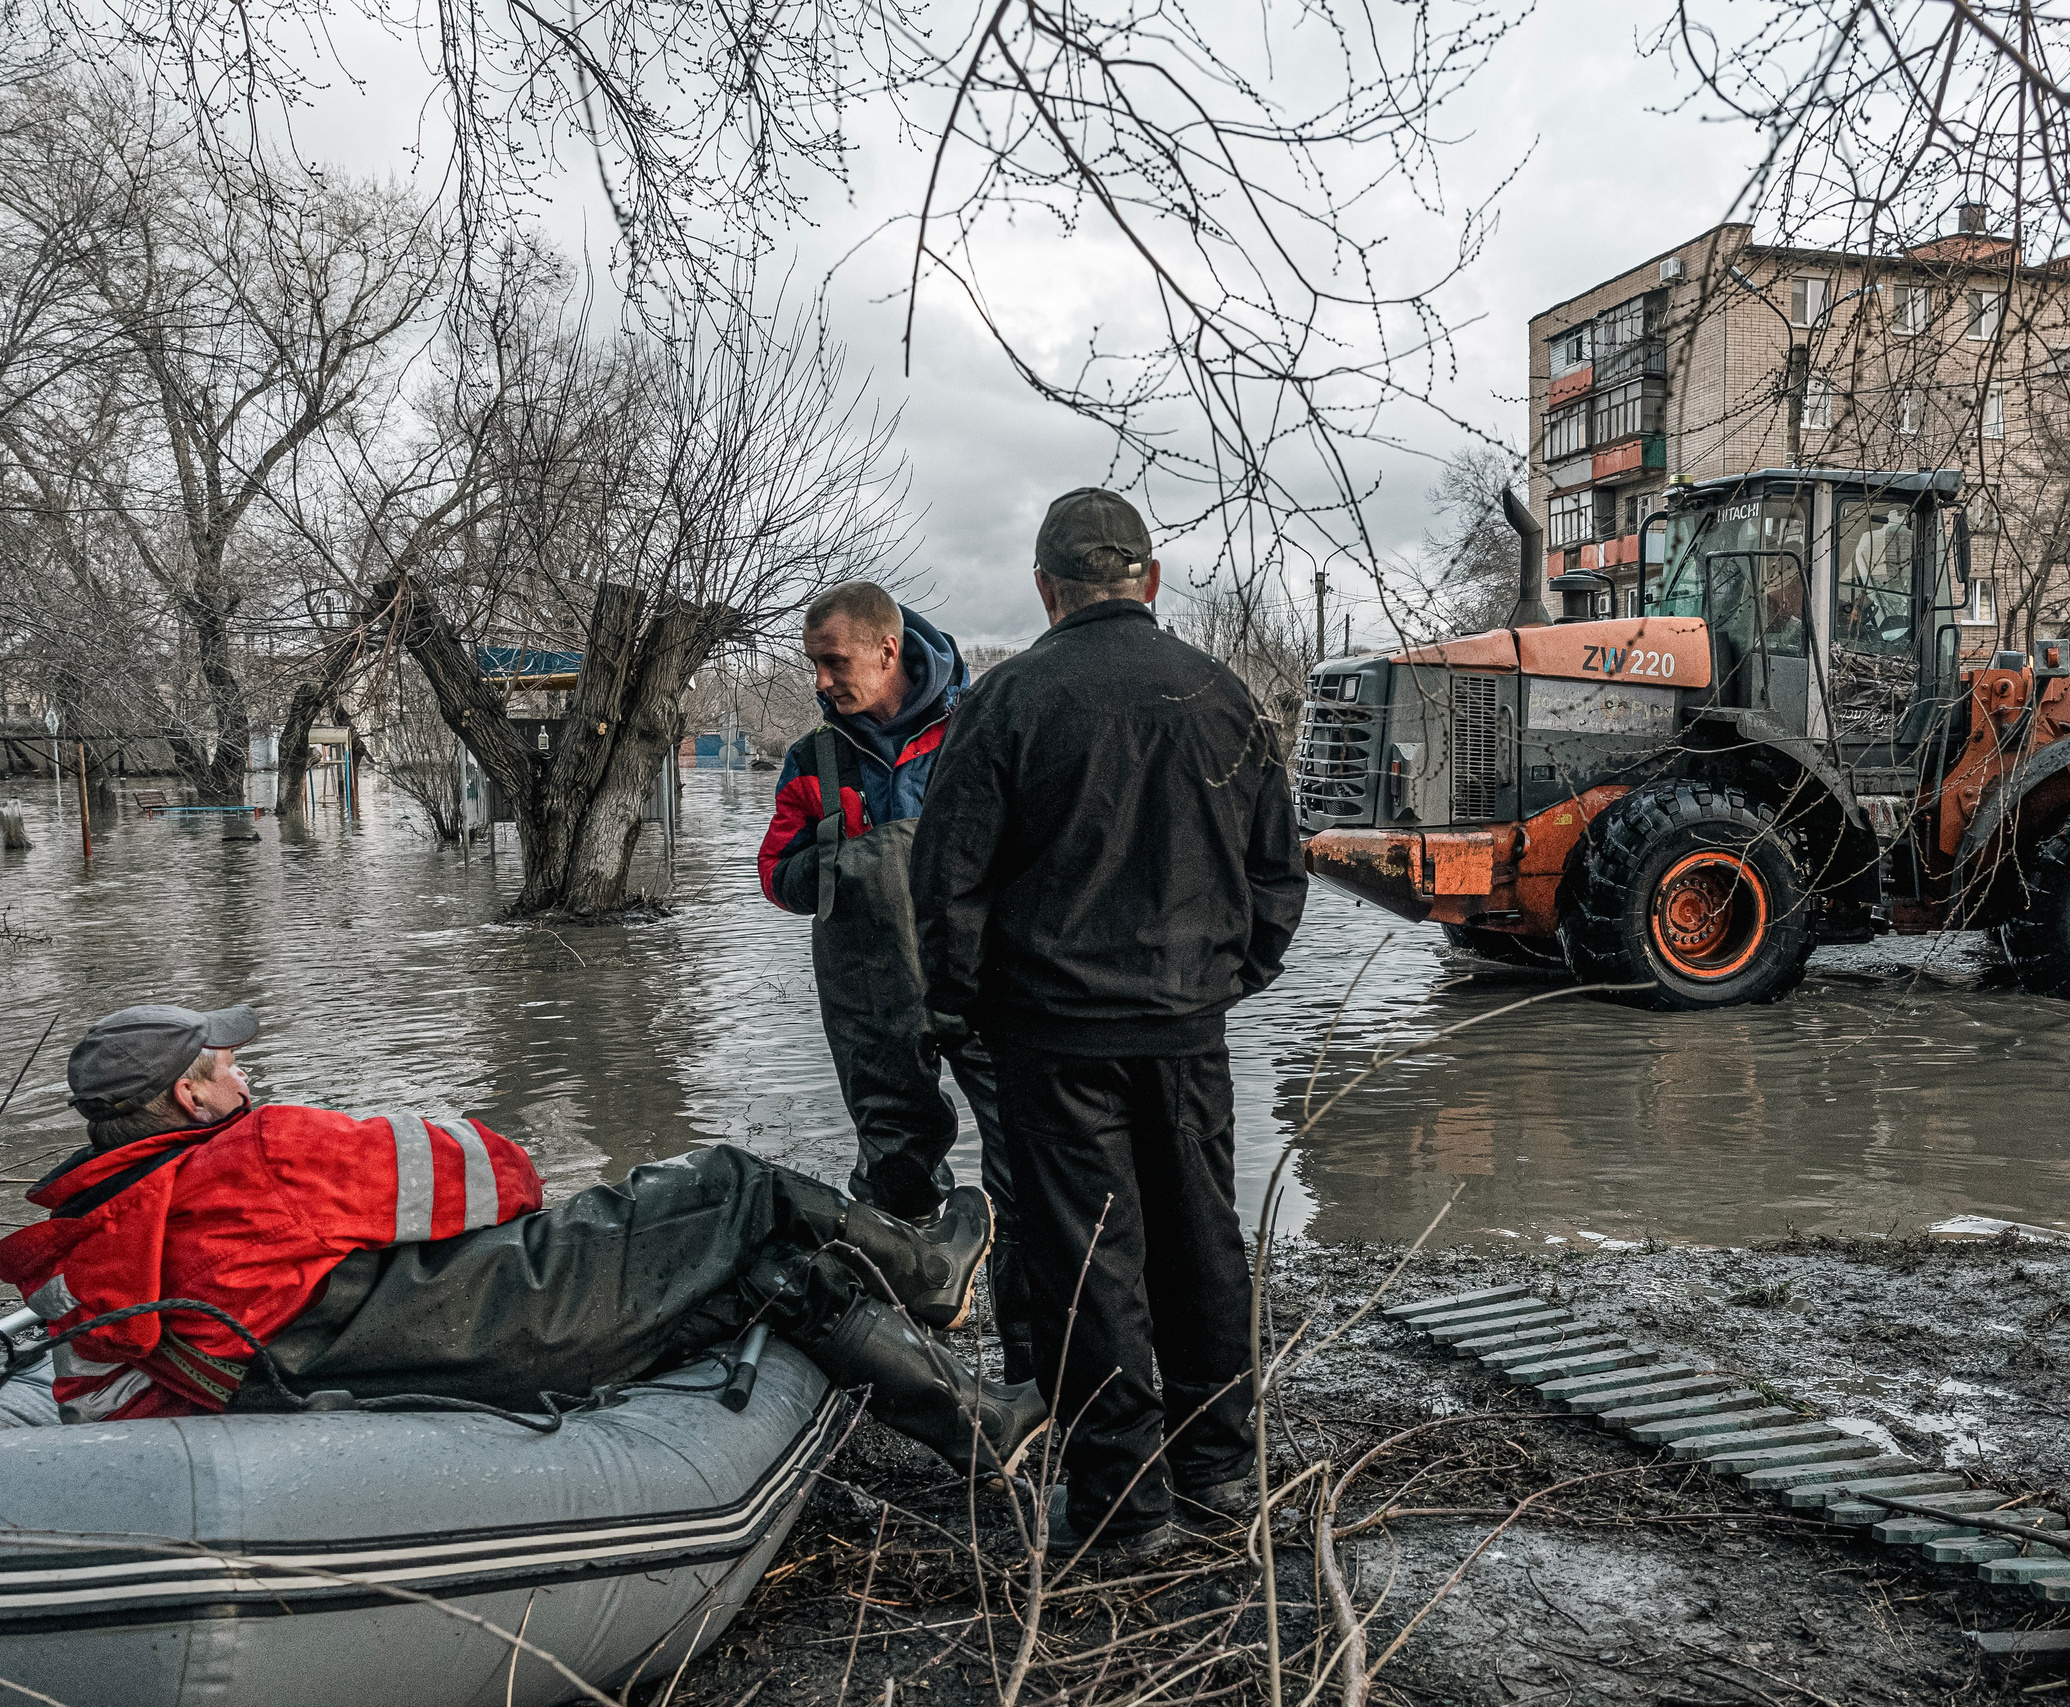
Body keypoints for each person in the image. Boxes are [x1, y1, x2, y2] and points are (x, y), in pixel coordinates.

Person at [0, 1001, 1047, 1478]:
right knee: (734, 1185)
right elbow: (501, 1176)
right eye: (224, 1063)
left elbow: (111, 1404)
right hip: (500, 1318)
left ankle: (983, 1425)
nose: (243, 1072)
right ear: (188, 1093)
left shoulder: (86, 1251)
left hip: (390, 1367)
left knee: (771, 1276)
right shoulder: (261, 1151)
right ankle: (933, 1268)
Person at [911, 488, 1307, 1558]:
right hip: (1187, 1028)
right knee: (1199, 1241)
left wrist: (956, 1007)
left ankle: (1122, 1506)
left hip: (1054, 1036)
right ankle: (1220, 1471)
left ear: (1047, 591)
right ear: (1150, 581)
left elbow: (945, 883)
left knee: (1087, 1261)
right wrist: (1230, 976)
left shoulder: (1007, 702)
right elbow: (1280, 868)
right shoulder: (1222, 697)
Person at [759, 582, 1036, 1384]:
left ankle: (1033, 1369)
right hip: (872, 1000)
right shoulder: (814, 759)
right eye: (812, 663)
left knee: (1024, 1165)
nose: (819, 682)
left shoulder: (978, 728)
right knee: (894, 1179)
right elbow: (776, 875)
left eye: (833, 661)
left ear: (889, 650)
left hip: (988, 986)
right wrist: (846, 859)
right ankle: (922, 1373)